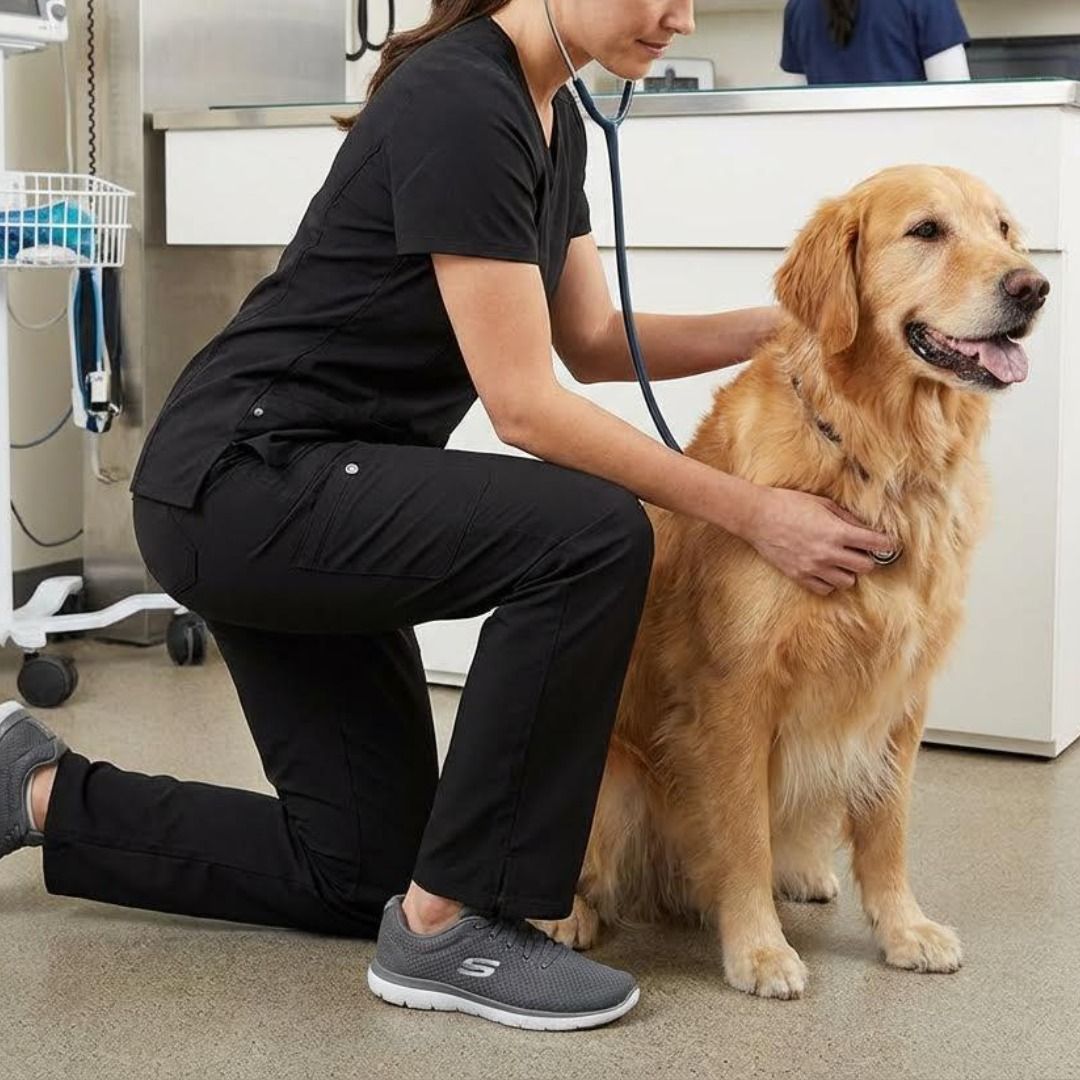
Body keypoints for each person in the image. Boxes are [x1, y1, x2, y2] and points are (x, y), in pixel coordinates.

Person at [0, 0, 895, 1031]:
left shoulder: (551, 113)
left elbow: (594, 340)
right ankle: (452, 927)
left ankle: (32, 788)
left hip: (308, 487)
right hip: (246, 482)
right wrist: (753, 511)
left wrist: (800, 323)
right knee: (595, 536)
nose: (682, 18)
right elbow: (524, 407)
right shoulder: (465, 98)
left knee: (361, 867)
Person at [781, 0, 971, 85]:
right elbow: (956, 100)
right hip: (908, 149)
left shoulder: (797, 7)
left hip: (830, 148)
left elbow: (799, 107)